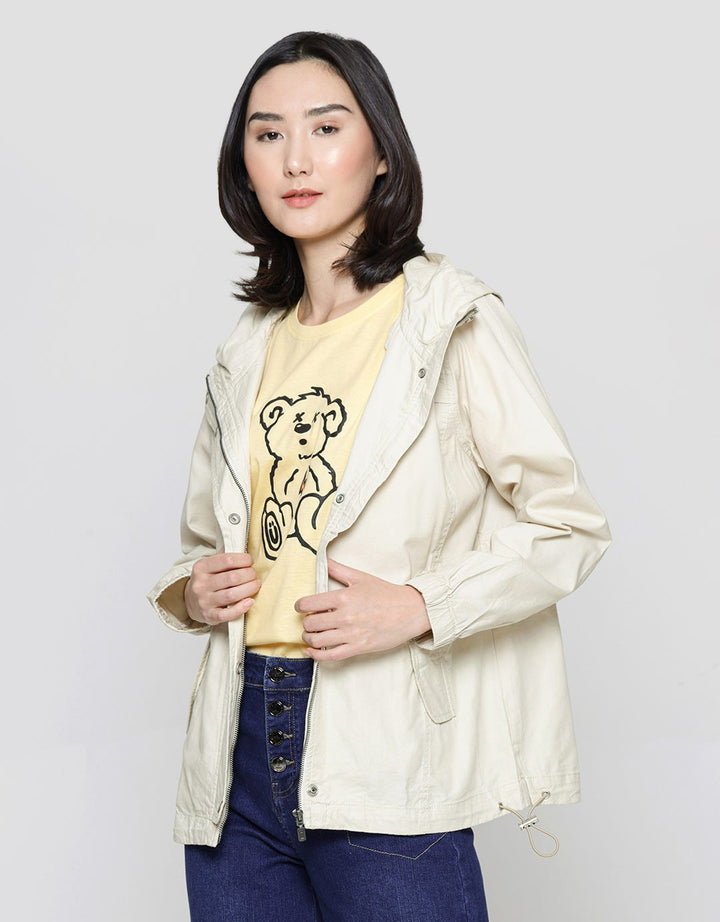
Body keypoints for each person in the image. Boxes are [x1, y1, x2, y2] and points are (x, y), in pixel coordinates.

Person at [148, 30, 611, 922]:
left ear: (383, 153)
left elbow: (569, 525)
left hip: (384, 746)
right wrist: (193, 591)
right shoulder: (245, 349)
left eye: (326, 127)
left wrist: (421, 605)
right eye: (268, 134)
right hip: (236, 754)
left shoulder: (451, 320)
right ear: (244, 165)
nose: (295, 158)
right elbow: (204, 545)